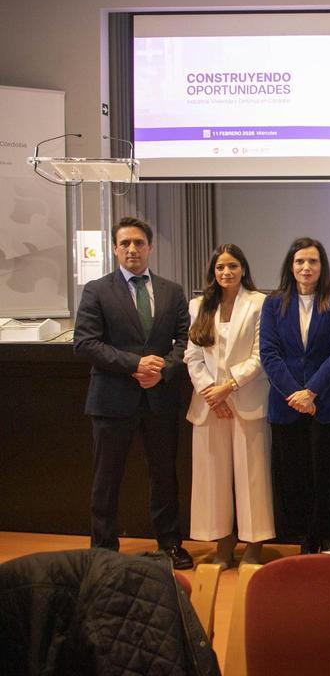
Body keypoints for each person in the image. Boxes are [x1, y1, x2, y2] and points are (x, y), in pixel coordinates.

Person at [73, 217, 194, 569]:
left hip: (160, 399)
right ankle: (104, 549)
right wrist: (135, 364)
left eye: (139, 243)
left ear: (150, 247)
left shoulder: (172, 290)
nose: (132, 249)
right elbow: (85, 343)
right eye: (125, 243)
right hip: (112, 400)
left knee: (164, 474)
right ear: (114, 249)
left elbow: (185, 341)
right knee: (106, 478)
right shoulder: (97, 289)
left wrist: (163, 371)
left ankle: (170, 544)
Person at [259, 237, 330, 554]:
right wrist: (295, 395)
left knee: (327, 474)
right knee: (293, 475)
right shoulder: (273, 303)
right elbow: (269, 354)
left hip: (327, 403)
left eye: (313, 261)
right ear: (291, 265)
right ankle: (302, 537)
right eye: (300, 261)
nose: (306, 267)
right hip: (287, 406)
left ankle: (324, 535)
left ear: (322, 266)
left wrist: (311, 391)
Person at [183, 244, 274, 569]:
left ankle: (253, 545)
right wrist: (211, 391)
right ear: (213, 272)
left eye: (233, 266)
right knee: (212, 478)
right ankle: (223, 545)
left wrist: (229, 386)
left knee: (252, 476)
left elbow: (261, 355)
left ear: (243, 269)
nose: (226, 272)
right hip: (209, 405)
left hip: (245, 399)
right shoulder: (198, 306)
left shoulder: (259, 303)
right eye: (220, 267)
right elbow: (192, 356)